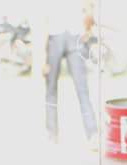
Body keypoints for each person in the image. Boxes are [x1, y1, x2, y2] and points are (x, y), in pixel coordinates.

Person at [33, 1, 97, 144]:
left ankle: (92, 133)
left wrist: (87, 30)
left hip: (75, 36)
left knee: (82, 89)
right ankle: (51, 133)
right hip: (54, 36)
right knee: (50, 89)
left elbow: (89, 7)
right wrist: (42, 57)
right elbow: (43, 20)